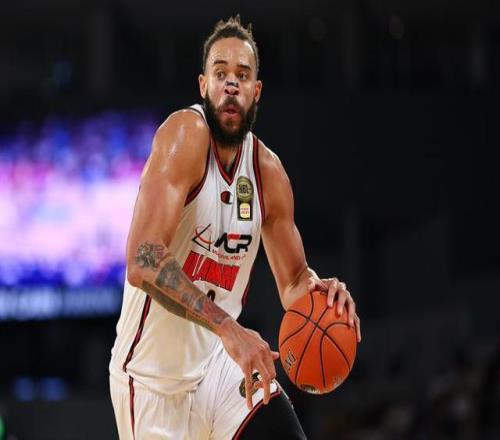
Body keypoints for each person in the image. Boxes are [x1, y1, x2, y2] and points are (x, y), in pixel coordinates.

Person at [109, 15, 362, 440]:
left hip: (217, 368)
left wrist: (322, 294)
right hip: (151, 382)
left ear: (256, 91)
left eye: (242, 76)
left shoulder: (268, 174)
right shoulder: (184, 136)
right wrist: (228, 327)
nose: (231, 84)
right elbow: (143, 259)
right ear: (203, 85)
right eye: (220, 73)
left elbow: (294, 282)